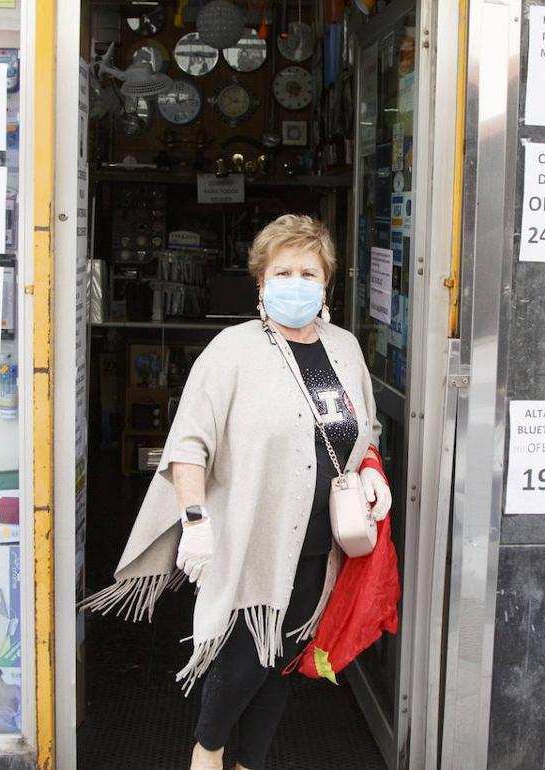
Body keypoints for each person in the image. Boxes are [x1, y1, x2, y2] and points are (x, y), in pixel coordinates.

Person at [83, 214, 392, 770]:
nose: (295, 282)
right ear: (261, 282)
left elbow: (362, 427)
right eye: (282, 271)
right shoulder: (233, 350)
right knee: (244, 658)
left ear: (326, 282)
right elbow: (187, 446)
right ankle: (206, 754)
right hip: (249, 537)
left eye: (307, 271)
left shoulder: (344, 348)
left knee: (282, 658)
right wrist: (196, 521)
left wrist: (370, 469)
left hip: (323, 545)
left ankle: (249, 764)